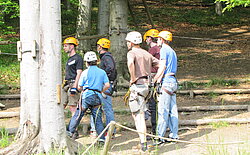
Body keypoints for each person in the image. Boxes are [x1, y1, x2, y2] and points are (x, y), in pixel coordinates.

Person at [125, 31, 159, 152]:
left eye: (128, 42)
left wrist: (133, 77)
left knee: (138, 116)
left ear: (132, 42)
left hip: (138, 86)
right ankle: (143, 143)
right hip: (147, 87)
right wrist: (156, 78)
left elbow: (130, 64)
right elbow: (161, 64)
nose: (127, 44)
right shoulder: (146, 53)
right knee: (141, 115)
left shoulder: (131, 53)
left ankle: (143, 145)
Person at [67, 51, 110, 143]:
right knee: (97, 119)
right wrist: (100, 90)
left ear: (86, 62)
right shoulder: (102, 72)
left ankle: (70, 132)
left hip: (86, 96)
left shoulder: (85, 72)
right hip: (97, 97)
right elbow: (107, 85)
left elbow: (79, 86)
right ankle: (101, 139)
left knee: (78, 115)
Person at [153, 30, 179, 145]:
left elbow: (162, 66)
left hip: (167, 82)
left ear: (162, 40)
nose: (157, 40)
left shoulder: (163, 50)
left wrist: (155, 79)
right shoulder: (172, 51)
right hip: (173, 81)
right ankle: (174, 134)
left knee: (163, 110)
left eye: (158, 39)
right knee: (173, 110)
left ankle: (160, 137)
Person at [89, 38, 117, 138]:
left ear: (100, 47)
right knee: (100, 107)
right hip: (106, 85)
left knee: (105, 108)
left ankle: (111, 131)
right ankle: (105, 130)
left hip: (105, 86)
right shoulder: (106, 57)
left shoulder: (106, 57)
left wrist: (103, 77)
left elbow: (111, 68)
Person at [143, 29, 160, 136]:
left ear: (149, 38)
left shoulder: (152, 50)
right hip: (160, 77)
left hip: (153, 77)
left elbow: (146, 65)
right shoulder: (160, 49)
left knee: (151, 104)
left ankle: (155, 129)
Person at [62, 37, 83, 116]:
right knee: (61, 104)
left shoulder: (78, 58)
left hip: (73, 84)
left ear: (72, 46)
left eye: (65, 46)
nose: (64, 48)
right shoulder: (69, 59)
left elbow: (79, 72)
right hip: (66, 84)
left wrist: (75, 86)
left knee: (72, 106)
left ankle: (74, 127)